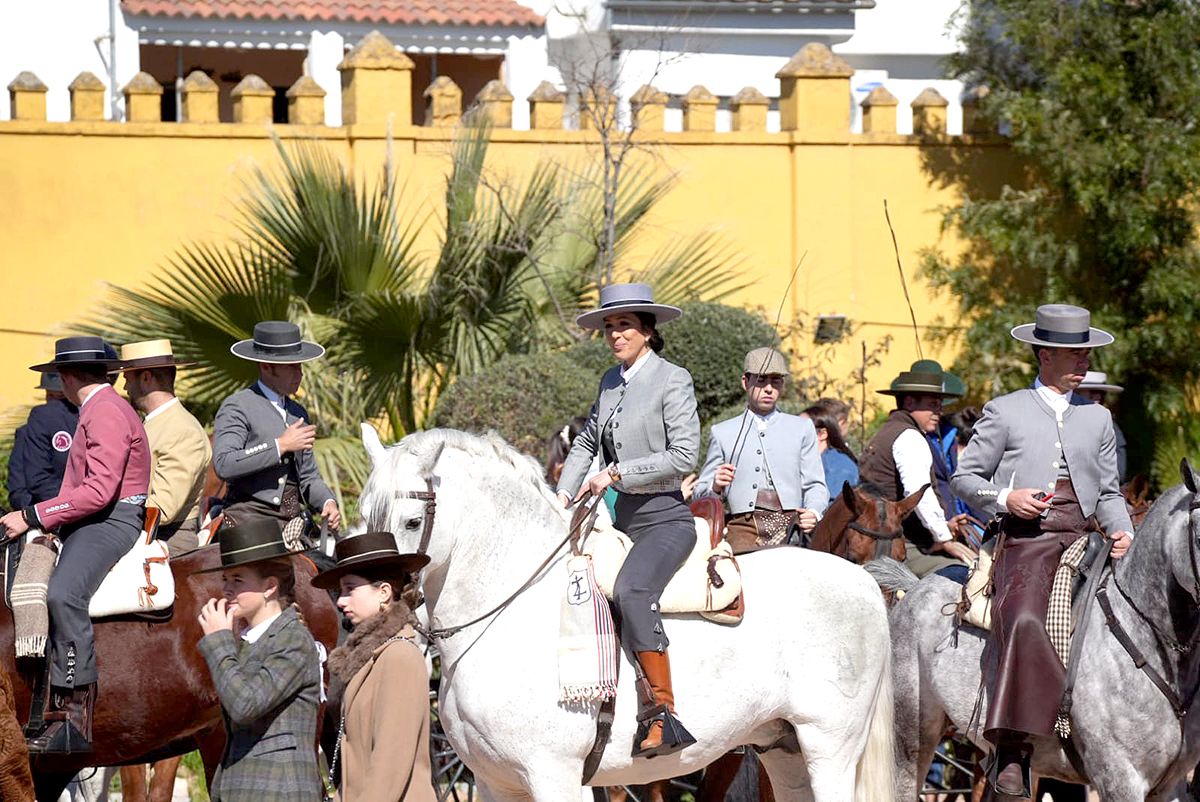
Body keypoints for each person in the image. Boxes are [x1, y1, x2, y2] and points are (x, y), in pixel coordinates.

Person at [951, 304, 1133, 799]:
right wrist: (1006, 498)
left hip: (1085, 538)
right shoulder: (1005, 410)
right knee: (1027, 617)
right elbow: (964, 477)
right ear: (1044, 353)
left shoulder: (1097, 417)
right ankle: (1012, 745)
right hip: (1026, 541)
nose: (1083, 363)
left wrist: (1122, 532)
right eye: (1075, 355)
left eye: (1087, 354)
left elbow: (1111, 493)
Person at [555, 282, 699, 759]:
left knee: (633, 591)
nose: (615, 335)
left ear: (647, 331)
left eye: (624, 326)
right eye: (610, 327)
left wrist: (614, 473)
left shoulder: (672, 379)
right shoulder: (609, 381)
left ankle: (662, 714)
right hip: (617, 523)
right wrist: (559, 496)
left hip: (665, 520)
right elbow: (584, 443)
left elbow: (683, 455)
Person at [0, 337, 150, 754]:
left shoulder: (104, 412)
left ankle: (74, 716)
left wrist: (33, 516)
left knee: (64, 594)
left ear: (66, 377)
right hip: (88, 519)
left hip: (110, 520)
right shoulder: (99, 408)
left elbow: (100, 491)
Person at [194, 519, 323, 801]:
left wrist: (218, 642)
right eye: (226, 579)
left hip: (279, 791)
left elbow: (244, 705)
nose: (227, 589)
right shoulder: (246, 641)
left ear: (270, 586)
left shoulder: (294, 640)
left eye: (238, 580)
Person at [314, 532, 436, 802]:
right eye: (340, 591)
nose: (340, 601)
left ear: (383, 592)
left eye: (349, 589)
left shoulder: (399, 657)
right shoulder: (371, 657)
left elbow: (389, 764)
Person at [212, 321, 341, 545]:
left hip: (293, 522)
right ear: (266, 366)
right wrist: (279, 446)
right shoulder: (238, 405)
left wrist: (327, 502)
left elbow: (308, 476)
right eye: (291, 366)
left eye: (300, 366)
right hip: (247, 521)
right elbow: (224, 463)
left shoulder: (297, 412)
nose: (299, 373)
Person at [694, 348, 828, 551]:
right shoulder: (722, 432)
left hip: (791, 526)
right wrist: (715, 485)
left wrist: (814, 512)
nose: (768, 388)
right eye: (761, 380)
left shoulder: (802, 428)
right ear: (745, 382)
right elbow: (699, 492)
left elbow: (815, 484)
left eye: (776, 381)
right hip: (741, 528)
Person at [859, 367, 976, 582]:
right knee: (966, 577)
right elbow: (919, 492)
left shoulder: (886, 432)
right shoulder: (909, 437)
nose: (939, 412)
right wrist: (945, 538)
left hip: (879, 541)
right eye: (932, 404)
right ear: (910, 403)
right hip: (901, 545)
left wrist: (944, 525)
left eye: (940, 405)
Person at [115, 340, 212, 555]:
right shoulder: (155, 422)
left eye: (127, 378)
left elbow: (163, 509)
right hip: (141, 534)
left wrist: (105, 507)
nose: (125, 387)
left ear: (146, 378)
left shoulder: (183, 430)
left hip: (166, 543)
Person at [6, 372, 78, 510]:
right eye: (50, 396)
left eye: (62, 399)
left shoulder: (86, 426)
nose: (55, 406)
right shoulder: (26, 432)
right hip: (43, 516)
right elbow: (18, 488)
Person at [1076, 371, 1128, 482]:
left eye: (1101, 393)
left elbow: (1118, 471)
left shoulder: (1111, 426)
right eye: (1093, 392)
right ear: (1076, 393)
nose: (1098, 396)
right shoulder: (1058, 422)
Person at [801, 405, 859, 505]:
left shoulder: (841, 467)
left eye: (801, 428)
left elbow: (833, 510)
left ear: (822, 434)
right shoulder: (802, 461)